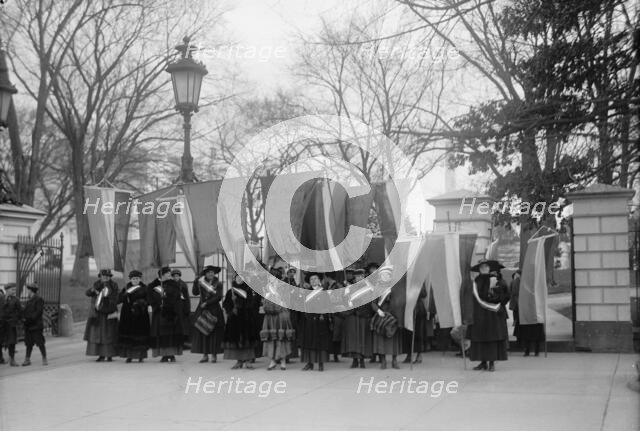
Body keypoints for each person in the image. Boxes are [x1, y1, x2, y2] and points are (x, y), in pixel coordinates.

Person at [468, 259, 510, 371]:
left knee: (492, 339)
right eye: (481, 267)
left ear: (489, 268)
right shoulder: (476, 281)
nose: (484, 269)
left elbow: (505, 296)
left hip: (493, 316)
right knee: (481, 339)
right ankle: (483, 362)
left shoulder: (496, 280)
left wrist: (492, 294)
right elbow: (474, 298)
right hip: (480, 315)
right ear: (479, 269)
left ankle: (491, 363)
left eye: (486, 267)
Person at [223, 273, 261, 369]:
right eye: (237, 277)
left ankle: (248, 361)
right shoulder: (230, 291)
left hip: (246, 319)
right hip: (234, 320)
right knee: (236, 340)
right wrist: (231, 310)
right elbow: (226, 304)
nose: (239, 279)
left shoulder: (249, 291)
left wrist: (241, 306)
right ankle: (239, 361)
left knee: (248, 340)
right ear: (235, 279)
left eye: (242, 278)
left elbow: (253, 303)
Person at [148, 267, 185, 362]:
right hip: (159, 313)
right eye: (168, 273)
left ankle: (171, 354)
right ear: (162, 275)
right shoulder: (153, 285)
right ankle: (163, 355)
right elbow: (150, 298)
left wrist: (171, 307)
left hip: (171, 313)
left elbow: (177, 298)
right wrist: (157, 305)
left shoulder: (175, 285)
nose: (170, 275)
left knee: (171, 335)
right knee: (161, 334)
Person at [371, 265, 404, 370]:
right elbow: (373, 303)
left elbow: (399, 301)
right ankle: (383, 361)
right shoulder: (377, 288)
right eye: (383, 275)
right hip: (382, 315)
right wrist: (378, 310)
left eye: (387, 275)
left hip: (393, 316)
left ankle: (394, 361)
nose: (385, 277)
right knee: (381, 340)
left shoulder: (395, 287)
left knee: (393, 340)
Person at [191, 265, 224, 363]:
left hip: (214, 309)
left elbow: (218, 297)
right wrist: (195, 282)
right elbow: (195, 293)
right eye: (208, 272)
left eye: (212, 272)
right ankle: (205, 355)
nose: (210, 274)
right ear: (205, 274)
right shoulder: (201, 282)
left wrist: (207, 303)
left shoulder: (218, 284)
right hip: (202, 309)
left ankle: (214, 355)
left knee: (213, 332)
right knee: (202, 331)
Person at [84, 269, 119, 362]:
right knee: (98, 335)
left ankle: (110, 354)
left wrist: (106, 298)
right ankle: (101, 354)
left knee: (109, 334)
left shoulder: (113, 285)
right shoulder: (97, 284)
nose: (105, 278)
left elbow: (115, 298)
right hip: (97, 314)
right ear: (100, 276)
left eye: (107, 276)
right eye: (103, 276)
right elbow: (88, 293)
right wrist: (94, 291)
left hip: (109, 312)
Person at [341, 269, 373, 368]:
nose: (359, 278)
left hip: (363, 316)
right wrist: (346, 297)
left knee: (362, 338)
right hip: (352, 316)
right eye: (357, 277)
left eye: (361, 276)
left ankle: (362, 360)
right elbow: (344, 301)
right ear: (354, 278)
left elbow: (370, 301)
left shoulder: (368, 288)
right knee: (353, 339)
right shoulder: (350, 288)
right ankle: (355, 360)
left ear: (364, 277)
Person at [299, 272, 331, 371]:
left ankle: (321, 363)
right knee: (309, 341)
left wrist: (323, 314)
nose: (313, 281)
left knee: (320, 342)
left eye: (315, 279)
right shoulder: (306, 293)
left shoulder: (324, 292)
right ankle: (310, 363)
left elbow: (328, 306)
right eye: (311, 279)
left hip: (321, 321)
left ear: (319, 280)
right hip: (309, 321)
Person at [117, 270, 150, 363]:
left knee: (140, 335)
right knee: (129, 335)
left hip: (141, 315)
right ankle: (129, 356)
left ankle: (140, 356)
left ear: (140, 279)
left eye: (137, 278)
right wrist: (125, 295)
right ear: (130, 279)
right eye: (134, 279)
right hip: (128, 315)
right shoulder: (126, 288)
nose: (136, 280)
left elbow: (149, 300)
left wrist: (141, 303)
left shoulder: (144, 288)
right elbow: (118, 300)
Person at [261, 285, 295, 370]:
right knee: (272, 339)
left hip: (281, 317)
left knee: (281, 338)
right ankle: (273, 360)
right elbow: (264, 306)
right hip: (270, 318)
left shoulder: (284, 290)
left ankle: (283, 360)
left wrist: (272, 306)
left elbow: (283, 305)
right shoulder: (267, 291)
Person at [511, 270, 544, 356]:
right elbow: (516, 294)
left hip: (535, 311)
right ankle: (527, 350)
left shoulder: (536, 283)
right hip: (526, 310)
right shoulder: (520, 282)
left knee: (535, 332)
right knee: (527, 332)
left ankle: (535, 350)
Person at [403, 284, 433, 364]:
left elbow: (424, 294)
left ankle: (419, 355)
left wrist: (416, 289)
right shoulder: (406, 279)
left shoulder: (419, 280)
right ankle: (409, 355)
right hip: (408, 308)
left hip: (418, 310)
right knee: (408, 333)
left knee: (418, 333)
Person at [21, 282, 47, 366]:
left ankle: (44, 358)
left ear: (31, 290)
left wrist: (29, 319)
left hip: (36, 325)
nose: (27, 291)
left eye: (27, 290)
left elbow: (38, 312)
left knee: (40, 342)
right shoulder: (29, 300)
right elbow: (26, 311)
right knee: (28, 343)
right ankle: (27, 359)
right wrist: (23, 318)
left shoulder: (39, 299)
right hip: (28, 326)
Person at [1, 283, 23, 366]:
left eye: (14, 289)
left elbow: (20, 311)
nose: (14, 291)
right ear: (7, 290)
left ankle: (12, 360)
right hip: (2, 323)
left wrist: (16, 319)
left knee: (12, 342)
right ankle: (1, 359)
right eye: (12, 289)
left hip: (11, 324)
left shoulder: (16, 300)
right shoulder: (1, 298)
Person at [324, 271, 343, 363]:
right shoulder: (325, 286)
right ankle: (327, 354)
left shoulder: (338, 286)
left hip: (336, 313)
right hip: (327, 312)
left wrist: (330, 297)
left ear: (328, 277)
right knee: (327, 334)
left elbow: (340, 299)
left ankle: (336, 355)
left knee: (336, 334)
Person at [365, 262, 380, 363]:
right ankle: (372, 355)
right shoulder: (366, 282)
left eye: (375, 270)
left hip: (378, 309)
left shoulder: (381, 282)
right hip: (368, 310)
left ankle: (379, 354)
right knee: (370, 334)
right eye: (371, 271)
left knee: (378, 333)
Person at [172, 269, 192, 345]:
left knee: (182, 326)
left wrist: (187, 309)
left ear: (179, 276)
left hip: (182, 308)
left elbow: (187, 297)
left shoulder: (183, 285)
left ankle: (182, 342)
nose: (175, 277)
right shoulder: (170, 284)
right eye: (174, 276)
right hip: (173, 308)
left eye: (177, 276)